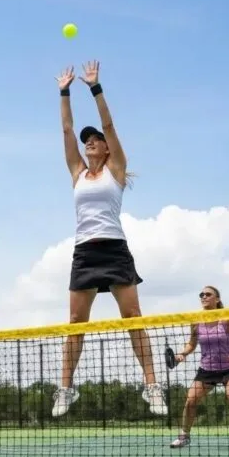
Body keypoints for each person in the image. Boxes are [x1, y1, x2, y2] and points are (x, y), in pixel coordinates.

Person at [51, 60, 167, 419]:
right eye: (87, 142)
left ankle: (152, 386)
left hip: (114, 249)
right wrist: (64, 92)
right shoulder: (77, 173)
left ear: (106, 149)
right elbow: (67, 131)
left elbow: (109, 124)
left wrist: (95, 88)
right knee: (76, 324)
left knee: (133, 316)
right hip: (85, 252)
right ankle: (66, 388)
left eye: (95, 141)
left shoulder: (115, 171)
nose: (89, 143)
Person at [170, 285, 229, 450]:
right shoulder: (196, 320)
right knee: (190, 401)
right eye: (201, 294)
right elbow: (192, 343)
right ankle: (184, 436)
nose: (204, 297)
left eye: (208, 294)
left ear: (217, 299)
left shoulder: (227, 319)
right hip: (207, 369)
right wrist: (181, 354)